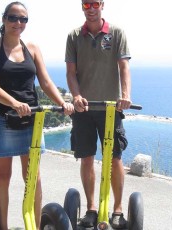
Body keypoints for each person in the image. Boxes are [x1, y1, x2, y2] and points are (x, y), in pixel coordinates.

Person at [0, 2, 74, 230]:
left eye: (23, 19)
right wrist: (14, 103)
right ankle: (3, 227)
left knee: (33, 176)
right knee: (3, 176)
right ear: (4, 19)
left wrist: (62, 103)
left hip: (31, 118)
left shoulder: (32, 48)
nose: (18, 23)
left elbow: (45, 82)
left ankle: (32, 225)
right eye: (13, 18)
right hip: (1, 119)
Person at [65, 0, 132, 228]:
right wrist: (75, 96)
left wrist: (125, 95)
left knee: (114, 158)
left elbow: (124, 67)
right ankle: (92, 208)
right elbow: (71, 73)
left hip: (111, 108)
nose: (90, 8)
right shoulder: (74, 36)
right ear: (82, 7)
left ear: (102, 4)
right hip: (83, 108)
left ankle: (117, 210)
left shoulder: (116, 33)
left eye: (94, 3)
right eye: (86, 4)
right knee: (87, 158)